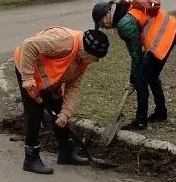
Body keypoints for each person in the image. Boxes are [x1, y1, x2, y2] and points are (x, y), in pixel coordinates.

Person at [14, 25, 109, 174]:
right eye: (94, 58)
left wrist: (66, 112)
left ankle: (66, 152)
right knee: (35, 114)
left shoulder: (83, 61)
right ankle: (30, 159)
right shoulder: (64, 42)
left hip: (47, 80)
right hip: (27, 68)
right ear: (86, 51)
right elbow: (29, 44)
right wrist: (26, 78)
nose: (93, 62)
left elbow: (73, 87)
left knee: (59, 109)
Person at [92, 0, 176, 130]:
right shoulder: (123, 10)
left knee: (141, 78)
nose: (103, 27)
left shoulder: (124, 23)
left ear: (108, 13)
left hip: (163, 36)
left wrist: (133, 78)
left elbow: (136, 54)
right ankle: (161, 112)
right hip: (169, 30)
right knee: (151, 75)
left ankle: (140, 121)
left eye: (102, 23)